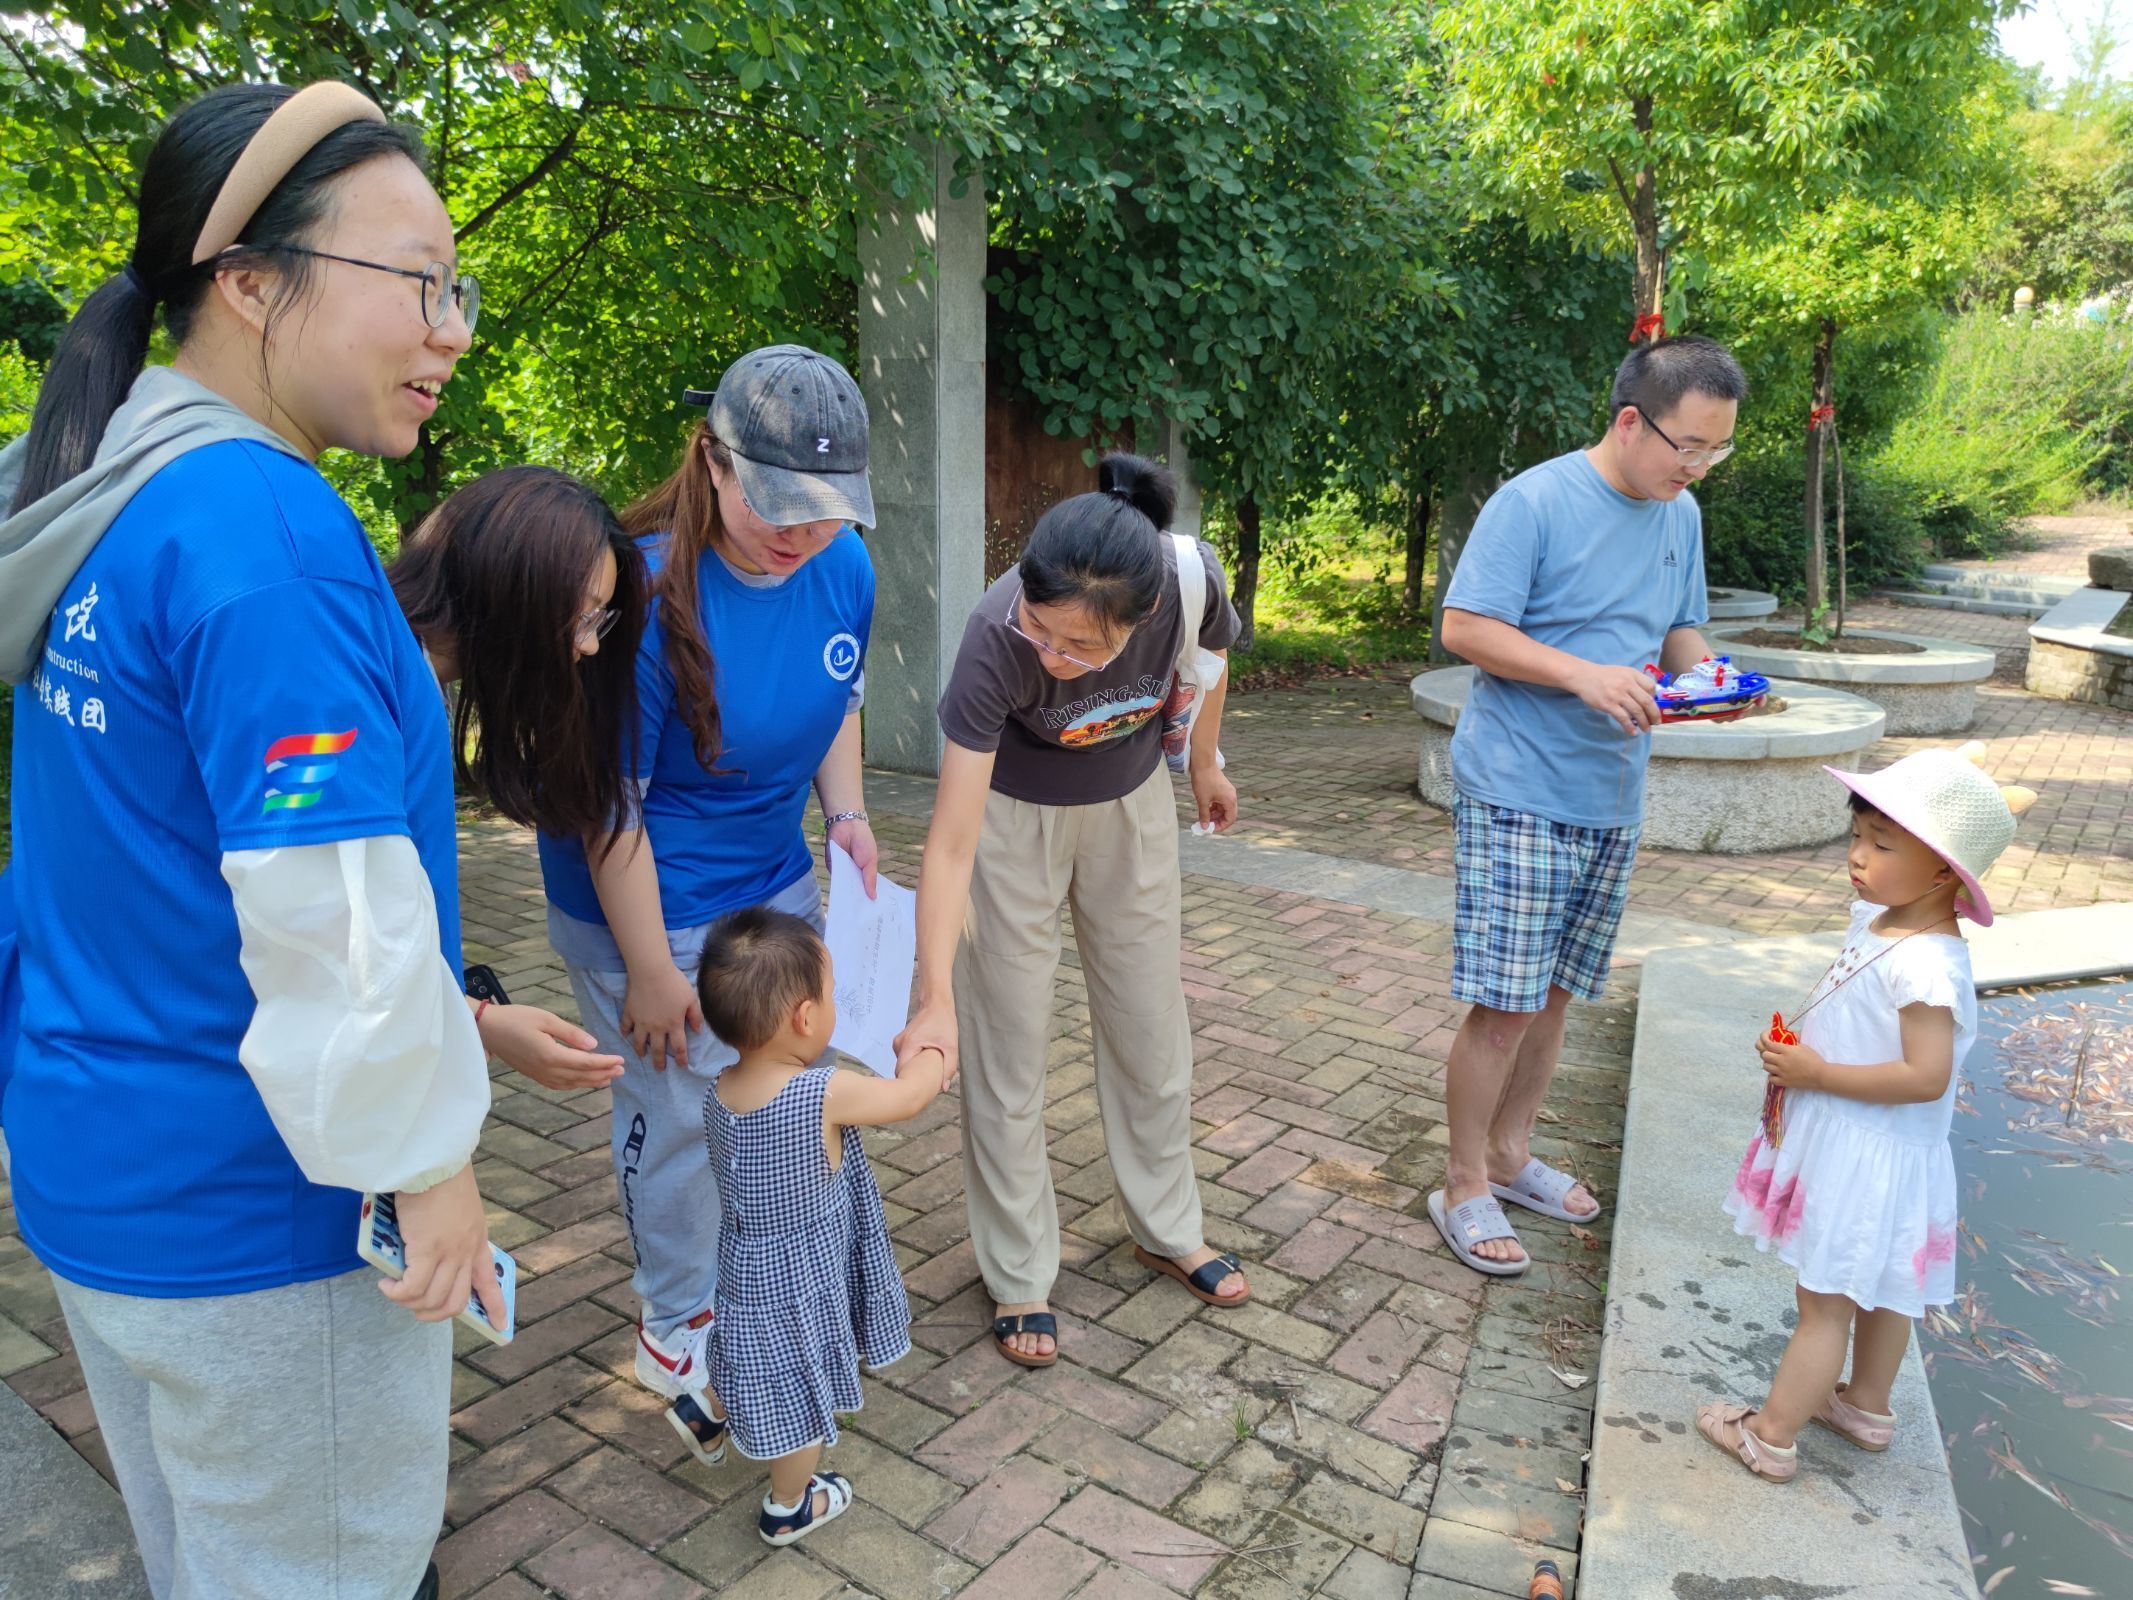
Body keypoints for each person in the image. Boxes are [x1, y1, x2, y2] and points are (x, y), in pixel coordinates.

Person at [0, 82, 493, 1600]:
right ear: (252, 280)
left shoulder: (105, 494)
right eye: (418, 279)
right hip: (265, 1220)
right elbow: (330, 917)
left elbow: (129, 855)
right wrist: (432, 1160)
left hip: (100, 1177)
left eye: (456, 287)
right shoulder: (257, 534)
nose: (452, 327)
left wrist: (464, 1018)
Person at [535, 345, 877, 1407]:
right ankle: (677, 1315)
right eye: (776, 503)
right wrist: (648, 968)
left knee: (785, 1085)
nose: (800, 533)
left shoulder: (843, 566)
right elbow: (609, 806)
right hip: (647, 894)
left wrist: (848, 815)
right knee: (680, 1106)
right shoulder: (633, 590)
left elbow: (838, 696)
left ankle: (768, 1279)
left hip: (773, 875)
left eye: (825, 509)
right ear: (712, 463)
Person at [896, 453, 1248, 1368]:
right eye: (1042, 633)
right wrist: (933, 991)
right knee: (1006, 1042)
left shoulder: (1184, 581)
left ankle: (1166, 1227)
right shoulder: (992, 636)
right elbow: (950, 840)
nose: (1052, 656)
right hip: (1012, 823)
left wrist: (1203, 762)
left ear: (1137, 623)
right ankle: (1017, 1274)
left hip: (1130, 808)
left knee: (1149, 1025)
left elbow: (1208, 662)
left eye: (1080, 649)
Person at [1430, 335, 1746, 1276]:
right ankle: (1460, 1185)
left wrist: (1723, 684)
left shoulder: (1676, 513)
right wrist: (1581, 675)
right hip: (1519, 783)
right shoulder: (1533, 501)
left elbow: (1679, 630)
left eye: (1713, 453)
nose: (1694, 469)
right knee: (1502, 1005)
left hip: (1612, 792)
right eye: (1684, 446)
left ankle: (1510, 1152)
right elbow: (1463, 627)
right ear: (1627, 420)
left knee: (1560, 992)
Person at [1697, 745, 2033, 1481]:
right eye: (1856, 835)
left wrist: (1816, 1070)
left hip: (1868, 1152)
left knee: (1823, 1302)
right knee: (1883, 1289)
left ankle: (1771, 1434)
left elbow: (1925, 1075)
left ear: (1944, 871)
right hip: (1867, 1143)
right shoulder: (1881, 920)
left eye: (1880, 845)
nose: (1856, 855)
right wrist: (1800, 1046)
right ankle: (1864, 1406)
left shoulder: (1928, 964)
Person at [675, 907, 938, 1545]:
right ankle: (790, 1503)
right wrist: (930, 1051)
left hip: (744, 1264)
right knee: (795, 1399)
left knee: (748, 1347)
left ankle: (707, 1408)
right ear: (805, 1018)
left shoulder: (720, 1091)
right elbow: (907, 1099)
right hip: (802, 1278)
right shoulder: (819, 1093)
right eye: (830, 992)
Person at [391, 464, 651, 1092]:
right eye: (583, 616)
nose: (589, 646)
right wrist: (479, 1019)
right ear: (515, 591)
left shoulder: (400, 670)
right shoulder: (384, 698)